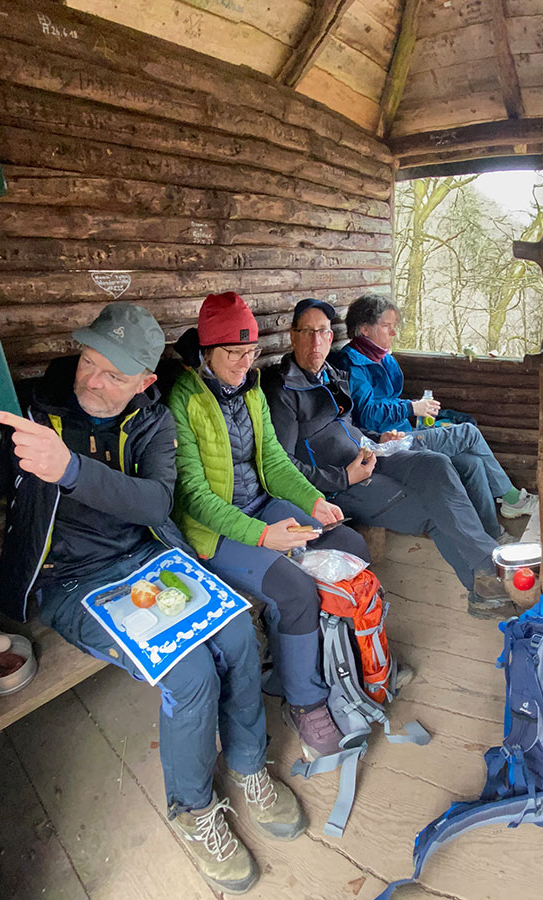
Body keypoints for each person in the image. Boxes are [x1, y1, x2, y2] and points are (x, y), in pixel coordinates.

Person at [0, 302, 299, 894]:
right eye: (89, 362)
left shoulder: (154, 418)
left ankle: (250, 766)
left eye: (114, 375)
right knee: (190, 673)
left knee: (234, 634)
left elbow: (155, 504)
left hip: (146, 559)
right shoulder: (32, 410)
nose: (93, 382)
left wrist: (69, 467)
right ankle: (193, 811)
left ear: (146, 381)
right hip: (69, 580)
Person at [166, 291, 379, 770]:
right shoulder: (183, 401)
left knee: (349, 544)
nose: (246, 363)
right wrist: (265, 537)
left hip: (262, 505)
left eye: (251, 352)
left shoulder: (252, 389)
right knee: (295, 589)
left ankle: (312, 660)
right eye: (233, 354)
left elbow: (277, 462)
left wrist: (314, 500)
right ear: (206, 352)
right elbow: (194, 499)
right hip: (212, 533)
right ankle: (304, 701)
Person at [264, 298, 512, 617]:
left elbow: (350, 424)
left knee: (437, 465)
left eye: (323, 332)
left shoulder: (331, 375)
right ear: (293, 336)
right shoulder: (281, 390)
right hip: (340, 487)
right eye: (308, 332)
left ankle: (487, 576)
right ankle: (487, 579)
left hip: (372, 454)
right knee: (433, 508)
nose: (316, 341)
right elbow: (283, 464)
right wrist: (344, 477)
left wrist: (377, 438)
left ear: (330, 336)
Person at [331, 293, 537, 539]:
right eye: (387, 327)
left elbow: (390, 400)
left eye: (393, 327)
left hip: (404, 430)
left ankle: (493, 536)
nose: (393, 333)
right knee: (469, 433)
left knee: (472, 464)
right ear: (364, 329)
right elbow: (367, 415)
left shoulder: (382, 357)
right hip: (386, 443)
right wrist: (411, 408)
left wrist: (416, 409)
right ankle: (511, 498)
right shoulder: (351, 364)